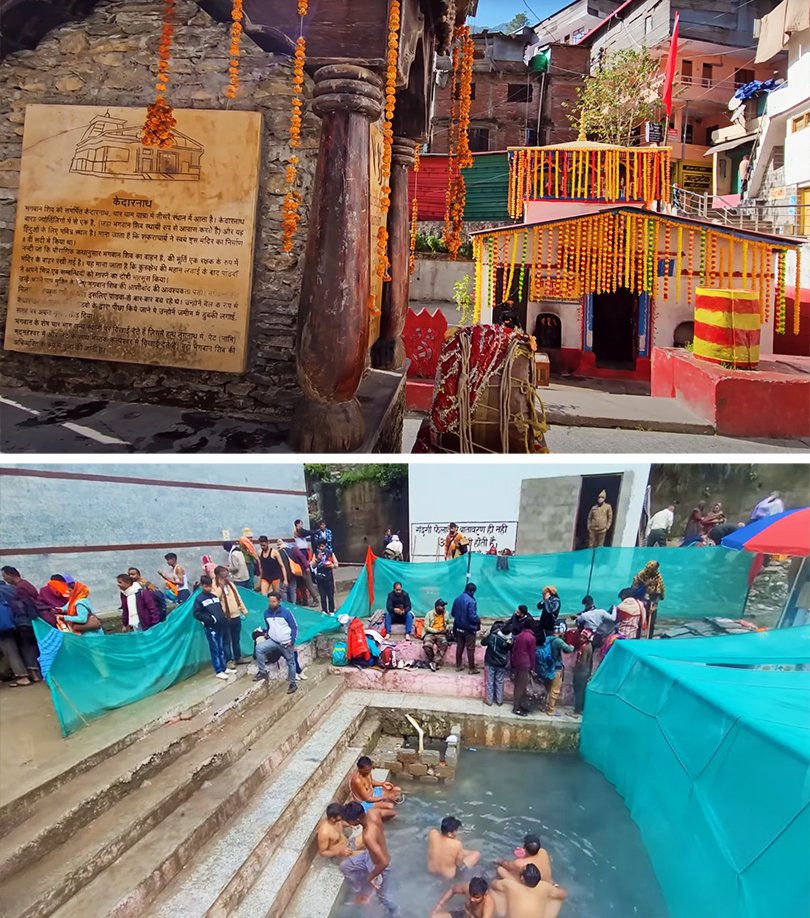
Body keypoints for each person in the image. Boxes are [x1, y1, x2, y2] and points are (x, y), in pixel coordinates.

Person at [340, 802, 398, 917]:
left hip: (379, 866)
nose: (348, 823)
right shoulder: (373, 813)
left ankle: (395, 912)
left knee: (383, 897)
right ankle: (361, 892)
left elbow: (384, 862)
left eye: (348, 821)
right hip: (368, 855)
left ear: (356, 819)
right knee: (345, 867)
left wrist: (370, 877)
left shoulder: (368, 836)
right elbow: (391, 814)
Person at [1, 566, 42, 682]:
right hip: (28, 620)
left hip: (23, 621)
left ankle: (27, 676)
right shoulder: (19, 587)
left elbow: (25, 605)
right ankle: (35, 674)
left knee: (25, 647)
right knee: (29, 647)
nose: (5, 578)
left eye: (4, 575)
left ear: (10, 574)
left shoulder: (21, 588)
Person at [253, 593, 298, 693]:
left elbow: (294, 627)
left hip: (286, 642)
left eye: (273, 601)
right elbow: (269, 626)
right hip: (273, 641)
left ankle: (293, 683)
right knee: (259, 648)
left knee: (290, 662)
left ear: (279, 601)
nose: (271, 604)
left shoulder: (286, 613)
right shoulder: (266, 613)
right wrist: (267, 634)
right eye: (269, 601)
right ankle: (263, 672)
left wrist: (292, 641)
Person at [489, 863, 567, 918]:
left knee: (493, 891)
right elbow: (563, 894)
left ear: (522, 879)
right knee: (555, 898)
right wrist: (554, 885)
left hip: (506, 913)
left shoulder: (509, 885)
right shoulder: (544, 886)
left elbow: (492, 884)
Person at [192, 575, 231, 680]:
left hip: (220, 626)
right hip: (211, 628)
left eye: (210, 586)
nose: (208, 588)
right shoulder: (199, 599)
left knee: (221, 647)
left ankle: (224, 667)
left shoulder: (214, 597)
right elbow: (197, 614)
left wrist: (223, 618)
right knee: (215, 649)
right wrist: (210, 619)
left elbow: (219, 609)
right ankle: (219, 670)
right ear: (202, 586)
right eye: (206, 586)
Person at [213, 565, 249, 667]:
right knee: (226, 640)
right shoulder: (215, 586)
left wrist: (243, 610)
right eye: (223, 573)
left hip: (236, 615)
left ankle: (238, 657)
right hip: (225, 618)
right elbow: (215, 598)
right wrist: (220, 587)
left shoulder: (231, 585)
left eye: (226, 573)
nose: (226, 575)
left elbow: (238, 597)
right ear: (218, 575)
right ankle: (229, 660)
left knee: (236, 639)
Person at [538, 631, 575, 716]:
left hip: (546, 668)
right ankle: (551, 710)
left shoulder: (546, 639)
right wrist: (571, 645)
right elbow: (569, 649)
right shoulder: (558, 641)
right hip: (555, 668)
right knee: (555, 689)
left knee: (547, 688)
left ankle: (543, 706)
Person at [451, 583, 481, 675]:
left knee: (460, 646)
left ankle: (458, 665)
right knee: (470, 648)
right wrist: (478, 619)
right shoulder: (471, 601)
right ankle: (471, 668)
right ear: (472, 591)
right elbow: (472, 617)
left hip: (458, 627)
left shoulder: (457, 598)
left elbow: (453, 613)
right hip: (469, 628)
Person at [481, 620, 511, 706]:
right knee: (500, 681)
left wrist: (489, 634)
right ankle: (499, 701)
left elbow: (483, 643)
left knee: (490, 681)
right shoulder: (508, 639)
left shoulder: (492, 637)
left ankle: (489, 701)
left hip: (490, 661)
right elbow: (510, 648)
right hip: (502, 663)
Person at [511, 620, 537, 717]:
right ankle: (516, 708)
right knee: (521, 687)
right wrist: (533, 667)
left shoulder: (519, 636)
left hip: (517, 662)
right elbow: (532, 654)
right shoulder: (531, 638)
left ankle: (517, 705)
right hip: (525, 664)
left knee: (518, 685)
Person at [423, 598, 451, 671]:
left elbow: (448, 623)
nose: (443, 607)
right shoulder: (429, 614)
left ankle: (434, 662)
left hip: (441, 634)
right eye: (442, 606)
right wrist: (437, 630)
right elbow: (426, 627)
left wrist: (446, 628)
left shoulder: (446, 613)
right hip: (431, 633)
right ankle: (434, 662)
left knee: (444, 644)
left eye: (444, 606)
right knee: (427, 646)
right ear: (437, 607)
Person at [571, 628, 594, 716]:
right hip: (586, 672)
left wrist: (575, 669)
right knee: (582, 691)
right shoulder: (590, 645)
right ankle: (581, 708)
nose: (580, 639)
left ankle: (577, 710)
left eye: (583, 637)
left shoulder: (584, 647)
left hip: (581, 673)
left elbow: (582, 662)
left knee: (578, 692)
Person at [312, 546, 338, 616]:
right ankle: (324, 610)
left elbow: (336, 565)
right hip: (320, 578)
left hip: (328, 577)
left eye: (322, 545)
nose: (321, 547)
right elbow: (312, 566)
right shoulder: (316, 553)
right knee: (322, 595)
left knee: (330, 594)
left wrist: (331, 565)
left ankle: (331, 610)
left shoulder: (330, 553)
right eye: (320, 546)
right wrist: (317, 559)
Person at [271, 539, 297, 603]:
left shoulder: (278, 553)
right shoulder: (291, 551)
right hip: (293, 573)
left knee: (283, 591)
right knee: (293, 590)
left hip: (283, 575)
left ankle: (286, 605)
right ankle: (294, 604)